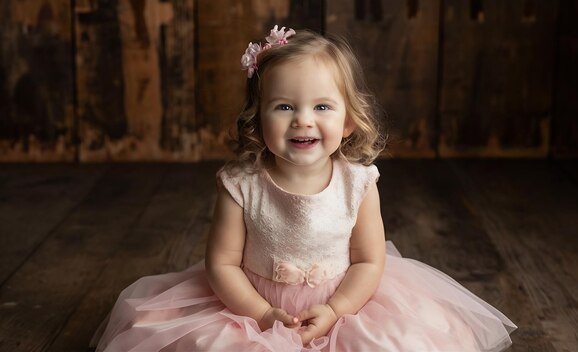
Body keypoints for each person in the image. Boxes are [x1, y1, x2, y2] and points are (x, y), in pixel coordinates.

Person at [93, 26, 516, 351]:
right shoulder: (241, 186)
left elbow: (369, 261)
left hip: (346, 302)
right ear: (258, 119)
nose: (303, 120)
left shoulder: (359, 182)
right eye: (284, 107)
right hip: (252, 306)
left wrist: (336, 310)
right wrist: (262, 314)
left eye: (322, 107)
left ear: (348, 121)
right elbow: (221, 264)